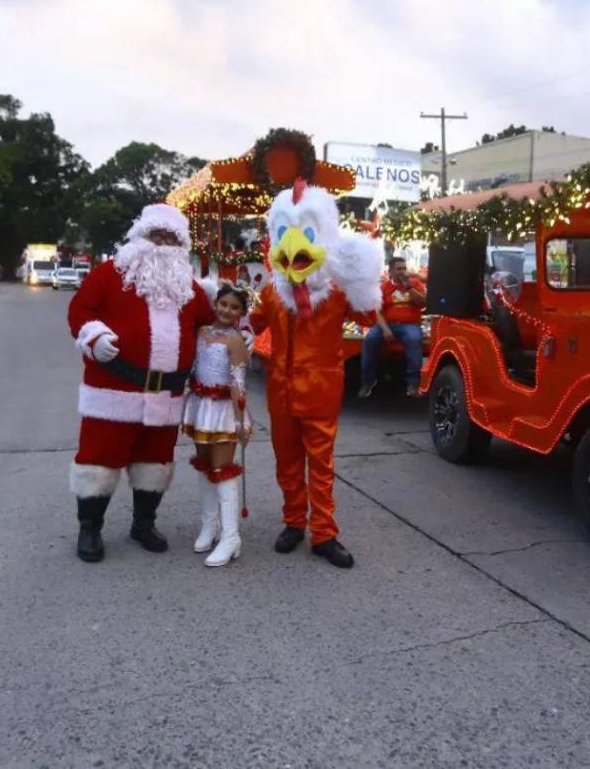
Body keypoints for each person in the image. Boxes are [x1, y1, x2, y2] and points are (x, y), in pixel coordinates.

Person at [67, 203, 215, 563]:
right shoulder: (108, 274)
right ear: (138, 236)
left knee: (155, 462)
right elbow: (79, 311)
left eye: (171, 238)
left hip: (166, 397)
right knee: (99, 462)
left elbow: (210, 325)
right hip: (113, 392)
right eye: (156, 235)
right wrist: (93, 336)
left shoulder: (190, 289)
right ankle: (90, 528)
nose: (161, 244)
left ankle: (143, 523)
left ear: (182, 246)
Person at [249, 178, 382, 568]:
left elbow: (369, 317)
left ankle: (323, 533)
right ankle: (293, 522)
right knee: (286, 463)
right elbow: (254, 323)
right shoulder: (274, 291)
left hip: (320, 390)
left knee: (321, 466)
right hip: (280, 393)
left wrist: (363, 278)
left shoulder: (337, 289)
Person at [182, 284, 252, 568]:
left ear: (242, 314)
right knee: (204, 464)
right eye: (223, 304)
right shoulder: (200, 332)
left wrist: (240, 420)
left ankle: (231, 536)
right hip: (200, 406)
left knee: (222, 470)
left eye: (234, 307)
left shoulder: (236, 342)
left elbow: (237, 384)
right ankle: (209, 526)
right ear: (215, 304)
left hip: (223, 410)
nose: (227, 310)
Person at [359, 256, 427, 398]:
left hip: (409, 325)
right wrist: (385, 329)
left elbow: (423, 302)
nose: (402, 272)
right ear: (390, 271)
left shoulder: (414, 283)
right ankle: (368, 381)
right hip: (387, 324)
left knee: (414, 339)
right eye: (399, 269)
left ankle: (413, 384)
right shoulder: (384, 287)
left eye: (404, 268)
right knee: (370, 339)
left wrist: (408, 287)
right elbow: (377, 311)